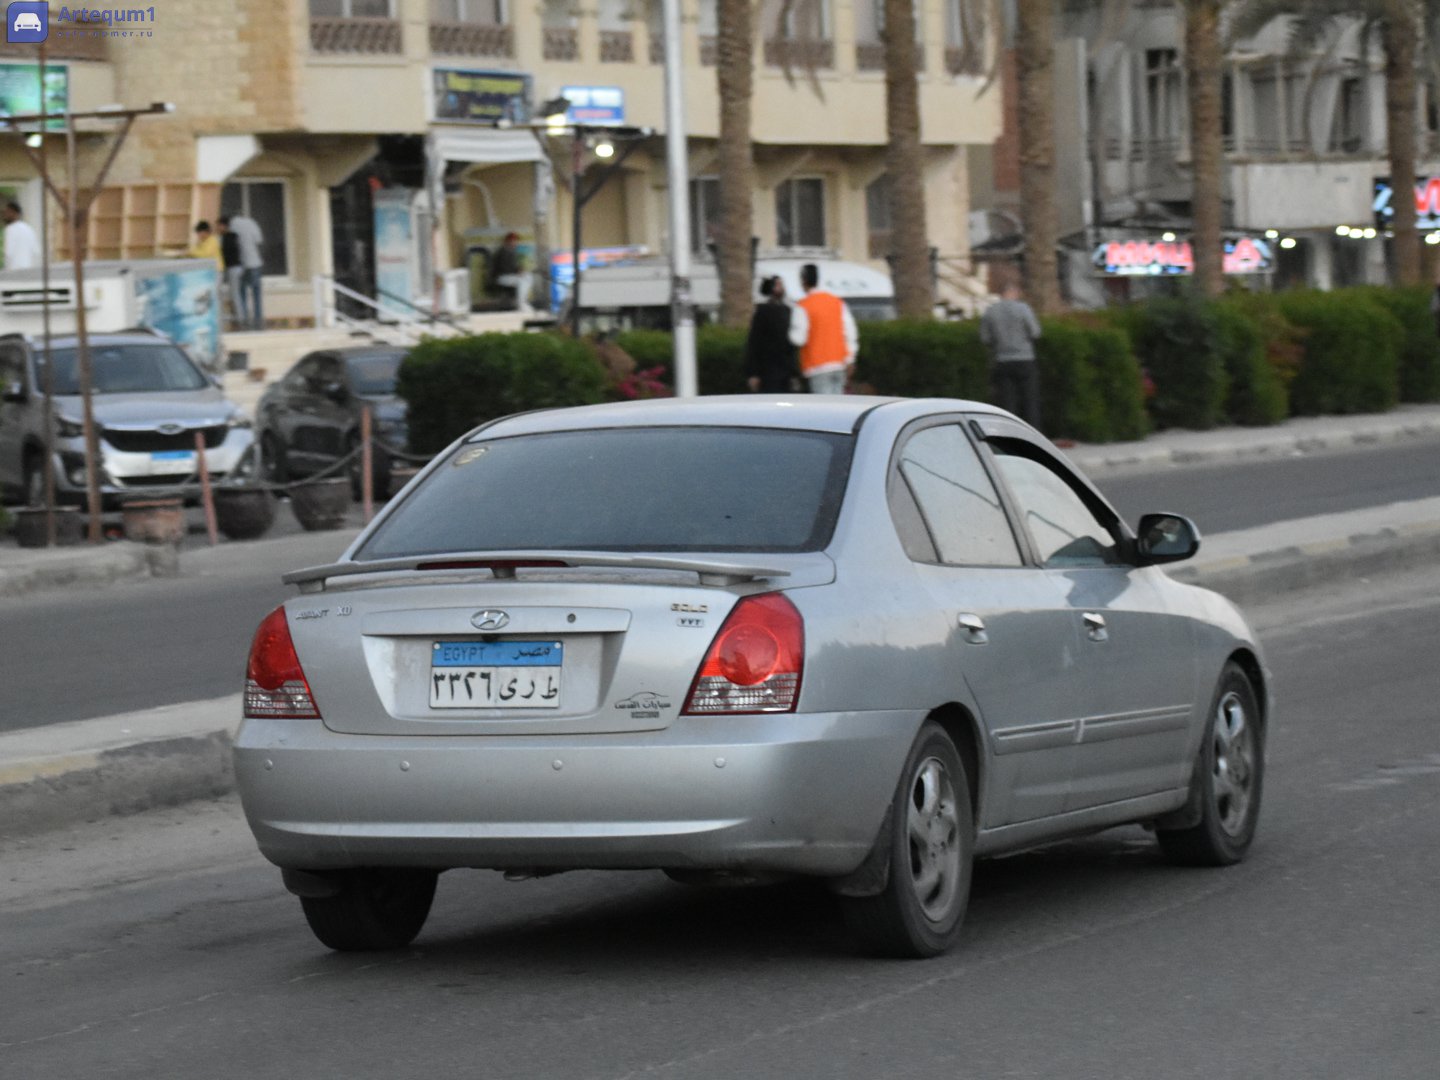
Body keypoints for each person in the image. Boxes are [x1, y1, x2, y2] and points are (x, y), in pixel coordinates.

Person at [980, 280, 1043, 428]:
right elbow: (1035, 332)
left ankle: (1009, 432)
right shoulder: (1023, 309)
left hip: (1002, 360)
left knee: (1007, 401)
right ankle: (1033, 433)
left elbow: (985, 338)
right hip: (1025, 359)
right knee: (1030, 400)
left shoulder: (991, 311)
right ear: (1014, 292)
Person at [789, 263, 858, 395]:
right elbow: (850, 331)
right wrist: (850, 359)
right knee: (838, 404)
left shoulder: (803, 306)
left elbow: (798, 339)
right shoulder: (836, 302)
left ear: (802, 280)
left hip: (816, 366)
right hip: (839, 363)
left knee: (824, 408)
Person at [745, 275, 802, 393]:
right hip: (768, 370)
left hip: (786, 370)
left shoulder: (788, 310)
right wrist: (753, 373)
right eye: (777, 285)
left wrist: (794, 372)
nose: (781, 288)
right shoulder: (762, 311)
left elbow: (792, 343)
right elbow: (754, 342)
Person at [220, 213, 265, 329]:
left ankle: (244, 322)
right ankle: (258, 322)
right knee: (256, 295)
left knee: (241, 294)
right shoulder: (251, 223)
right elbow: (259, 240)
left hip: (241, 264)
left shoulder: (232, 226)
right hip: (255, 263)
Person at [490, 232, 532, 312]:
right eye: (513, 240)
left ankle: (522, 302)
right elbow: (504, 267)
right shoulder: (503, 251)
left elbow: (514, 266)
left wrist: (520, 270)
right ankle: (521, 304)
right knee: (522, 281)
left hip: (507, 276)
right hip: (500, 277)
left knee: (528, 277)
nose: (515, 242)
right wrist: (517, 271)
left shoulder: (511, 251)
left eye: (516, 240)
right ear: (507, 241)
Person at [216, 218, 245, 330]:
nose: (218, 228)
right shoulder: (233, 236)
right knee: (230, 293)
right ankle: (236, 318)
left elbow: (226, 252)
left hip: (233, 267)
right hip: (232, 267)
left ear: (224, 226)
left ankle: (239, 319)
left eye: (219, 226)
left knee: (234, 293)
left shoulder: (229, 237)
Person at [3, 202, 40, 270]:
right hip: (29, 270)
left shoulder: (10, 229)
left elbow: (8, 253)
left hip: (13, 271)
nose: (5, 215)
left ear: (15, 213)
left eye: (7, 212)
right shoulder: (29, 228)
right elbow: (36, 251)